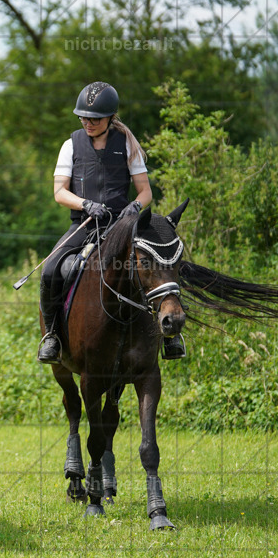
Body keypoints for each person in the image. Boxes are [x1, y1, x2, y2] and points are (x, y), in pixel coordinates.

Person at [38, 81, 185, 363]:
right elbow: (59, 192)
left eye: (94, 118)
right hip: (85, 223)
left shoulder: (127, 144)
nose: (88, 122)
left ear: (110, 117)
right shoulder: (70, 145)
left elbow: (146, 192)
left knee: (162, 260)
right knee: (50, 270)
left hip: (123, 225)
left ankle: (173, 336)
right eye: (83, 117)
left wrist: (134, 205)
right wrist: (86, 204)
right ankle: (53, 336)